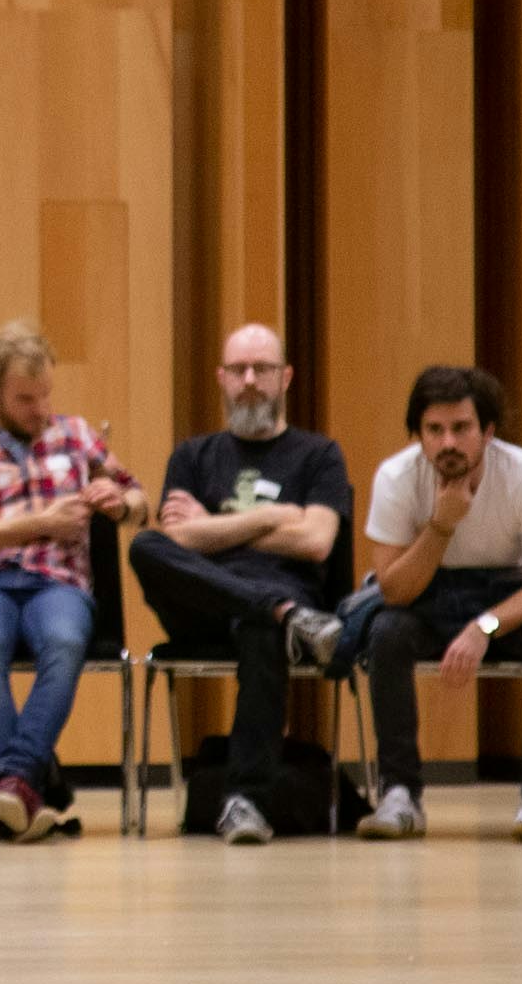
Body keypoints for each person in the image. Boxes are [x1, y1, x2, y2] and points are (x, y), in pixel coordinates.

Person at [125, 322, 353, 846]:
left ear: (286, 377)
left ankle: (246, 802)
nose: (250, 380)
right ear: (221, 378)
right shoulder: (193, 456)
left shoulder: (319, 455)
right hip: (202, 606)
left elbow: (318, 542)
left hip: (282, 604)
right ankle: (281, 611)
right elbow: (174, 541)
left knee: (261, 627)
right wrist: (272, 518)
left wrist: (213, 527)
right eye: (238, 370)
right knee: (144, 547)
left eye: (263, 369)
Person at [0, 322, 146, 843]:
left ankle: (13, 783)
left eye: (45, 395)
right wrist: (41, 522)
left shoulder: (77, 435)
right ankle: (24, 786)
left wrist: (121, 502)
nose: (40, 409)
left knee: (66, 642)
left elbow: (139, 500)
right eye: (25, 399)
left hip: (58, 581)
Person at [354, 366, 522, 843]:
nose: (448, 443)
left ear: (488, 433)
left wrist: (484, 627)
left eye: (461, 428)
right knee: (386, 632)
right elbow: (394, 590)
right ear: (417, 434)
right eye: (434, 430)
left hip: (507, 594)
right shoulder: (397, 477)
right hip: (426, 593)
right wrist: (441, 525)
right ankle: (400, 794)